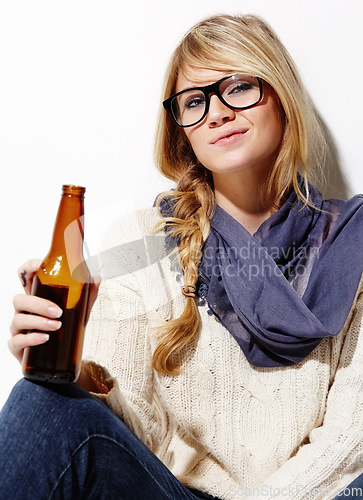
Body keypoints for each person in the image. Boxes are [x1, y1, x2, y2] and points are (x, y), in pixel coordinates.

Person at [1, 13, 362, 500]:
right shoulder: (143, 242)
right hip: (174, 494)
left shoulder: (352, 244)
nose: (216, 113)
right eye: (195, 101)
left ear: (281, 94)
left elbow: (348, 442)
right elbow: (128, 431)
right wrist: (65, 367)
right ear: (182, 131)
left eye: (237, 87)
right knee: (39, 401)